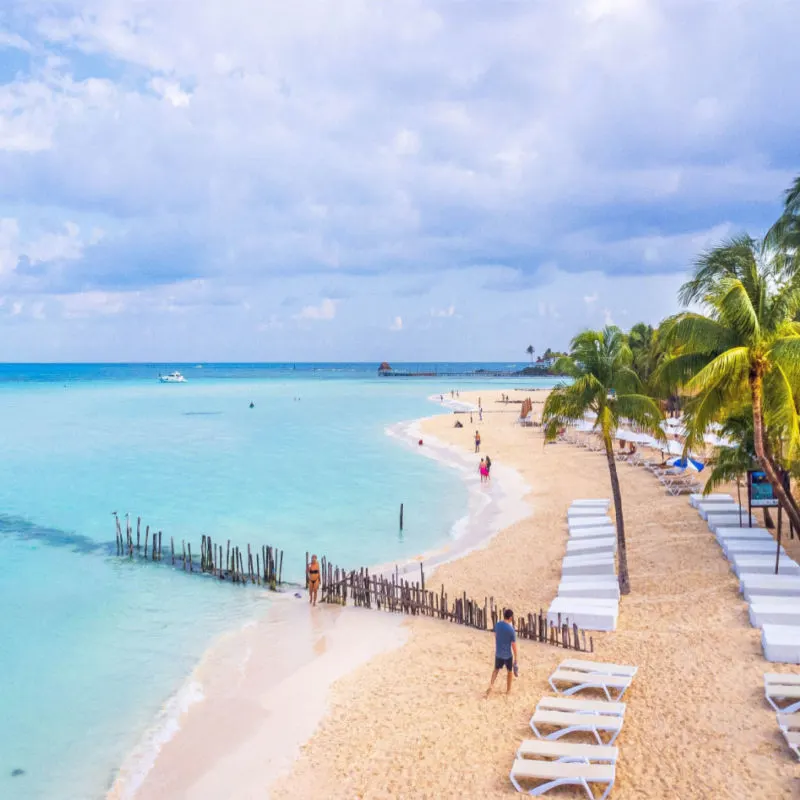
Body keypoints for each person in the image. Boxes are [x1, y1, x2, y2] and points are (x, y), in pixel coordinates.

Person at [486, 608, 518, 696]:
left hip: (498, 653)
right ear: (511, 617)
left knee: (496, 670)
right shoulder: (511, 630)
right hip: (507, 655)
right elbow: (513, 646)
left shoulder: (498, 625)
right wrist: (516, 658)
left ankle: (491, 685)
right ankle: (508, 690)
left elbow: (495, 635)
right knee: (509, 671)